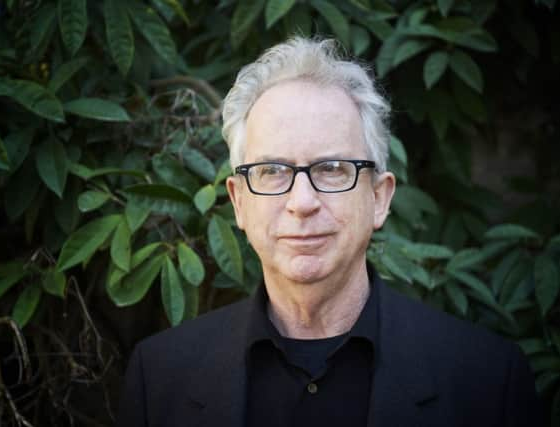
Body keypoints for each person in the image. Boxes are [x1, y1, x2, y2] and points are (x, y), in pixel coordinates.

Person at [117, 37, 541, 427]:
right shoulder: (158, 379)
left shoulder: (488, 380)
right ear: (239, 201)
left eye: (332, 169)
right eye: (272, 170)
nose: (302, 202)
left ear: (379, 198)